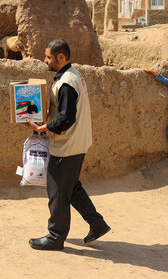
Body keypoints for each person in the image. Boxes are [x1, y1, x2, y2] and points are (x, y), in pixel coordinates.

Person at [25, 38, 110, 251]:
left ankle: (56, 237)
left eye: (48, 57)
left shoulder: (66, 83)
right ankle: (97, 224)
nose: (45, 60)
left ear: (61, 57)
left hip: (67, 146)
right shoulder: (72, 75)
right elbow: (64, 112)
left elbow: (67, 118)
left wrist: (41, 128)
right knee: (70, 188)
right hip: (75, 144)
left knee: (57, 192)